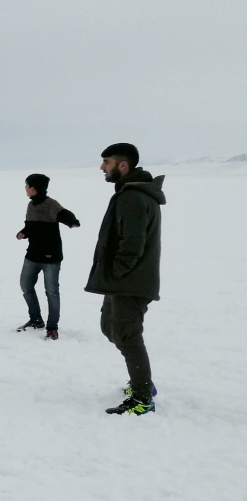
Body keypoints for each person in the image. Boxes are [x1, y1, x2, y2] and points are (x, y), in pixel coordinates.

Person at [86, 143, 164, 416]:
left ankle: (143, 396)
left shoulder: (133, 197)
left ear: (123, 165)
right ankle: (143, 383)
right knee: (111, 328)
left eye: (106, 162)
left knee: (127, 335)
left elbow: (132, 244)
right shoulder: (131, 194)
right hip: (124, 280)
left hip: (131, 281)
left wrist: (118, 273)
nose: (101, 167)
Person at [15, 174, 80, 340]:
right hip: (32, 254)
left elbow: (63, 213)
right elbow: (29, 226)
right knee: (25, 285)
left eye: (26, 185)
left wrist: (71, 221)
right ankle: (36, 319)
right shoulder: (31, 205)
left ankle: (52, 328)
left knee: (51, 292)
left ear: (33, 188)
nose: (25, 188)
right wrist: (24, 233)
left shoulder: (51, 204)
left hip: (51, 257)